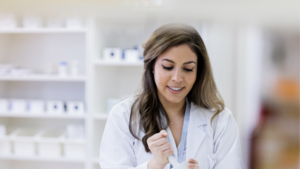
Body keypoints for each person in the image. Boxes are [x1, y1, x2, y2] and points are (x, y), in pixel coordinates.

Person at [99, 23, 244, 169]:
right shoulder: (123, 116)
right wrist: (154, 165)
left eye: (188, 69)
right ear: (152, 67)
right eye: (168, 67)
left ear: (198, 72)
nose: (177, 78)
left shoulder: (220, 121)